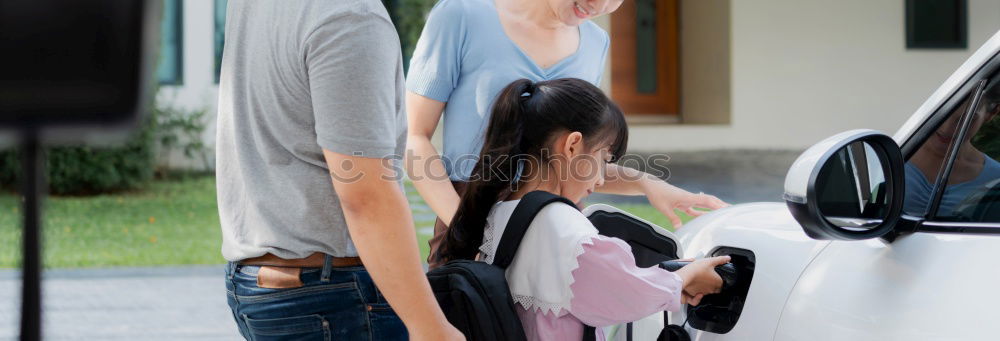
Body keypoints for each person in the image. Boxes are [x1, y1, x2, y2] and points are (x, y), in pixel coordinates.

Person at [406, 0, 728, 268]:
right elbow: (415, 139)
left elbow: (572, 159)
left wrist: (648, 183)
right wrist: (469, 232)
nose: (599, 5)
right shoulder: (462, 15)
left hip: (555, 232)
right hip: (471, 222)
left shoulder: (594, 42)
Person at [215, 1, 462, 340]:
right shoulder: (351, 17)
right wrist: (431, 328)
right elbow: (367, 197)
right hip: (332, 296)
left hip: (261, 282)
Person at [437, 78, 730, 340]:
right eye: (604, 158)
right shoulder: (568, 230)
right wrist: (689, 275)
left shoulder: (498, 212)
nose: (602, 177)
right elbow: (630, 293)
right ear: (573, 145)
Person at [905, 80, 1000, 217]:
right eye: (941, 112)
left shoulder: (996, 179)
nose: (947, 128)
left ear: (991, 114)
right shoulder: (893, 154)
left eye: (967, 118)